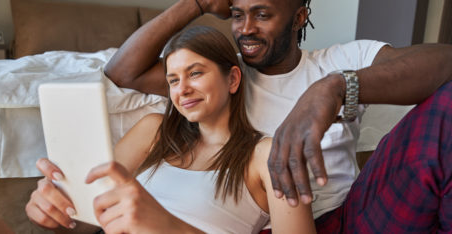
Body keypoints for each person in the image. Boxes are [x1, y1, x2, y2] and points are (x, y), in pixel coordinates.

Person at [103, 0, 452, 232]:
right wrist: (196, 3)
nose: (245, 29)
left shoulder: (340, 61)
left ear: (299, 17)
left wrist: (333, 88)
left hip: (348, 216)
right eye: (238, 15)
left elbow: (444, 62)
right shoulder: (220, 79)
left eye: (262, 14)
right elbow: (123, 72)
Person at [26, 26, 317, 233]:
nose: (183, 89)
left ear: (232, 80)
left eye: (195, 73)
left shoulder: (266, 154)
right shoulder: (154, 131)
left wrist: (165, 225)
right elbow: (85, 222)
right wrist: (58, 211)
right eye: (173, 80)